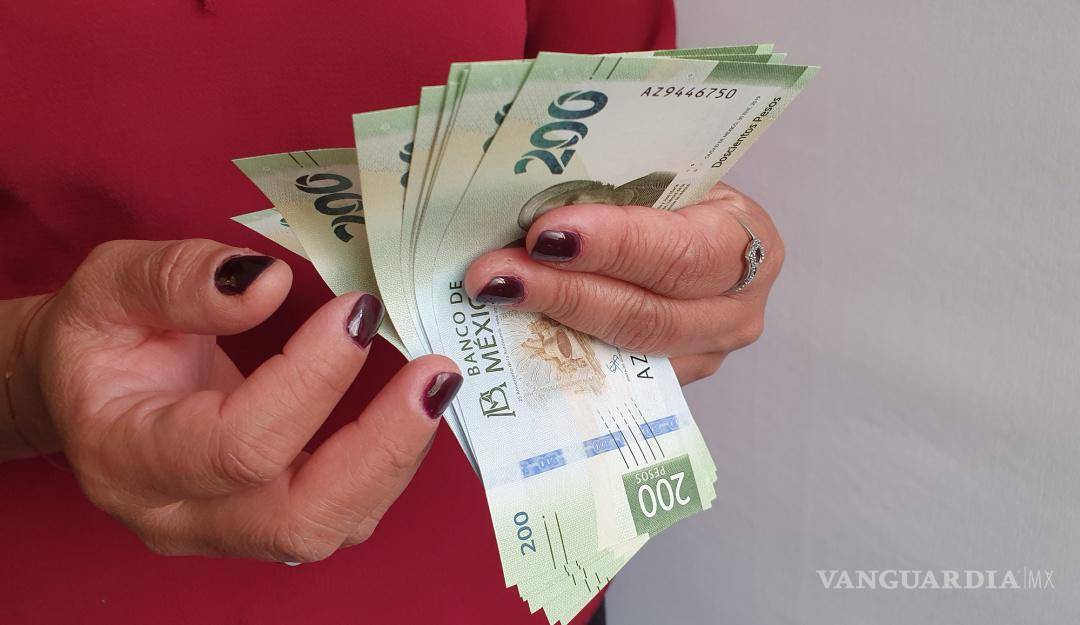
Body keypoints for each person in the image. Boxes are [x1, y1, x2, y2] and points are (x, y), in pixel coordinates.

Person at [0, 1, 784, 623]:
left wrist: (695, 264)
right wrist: (28, 376)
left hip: (497, 571)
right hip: (66, 577)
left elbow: (629, 135)